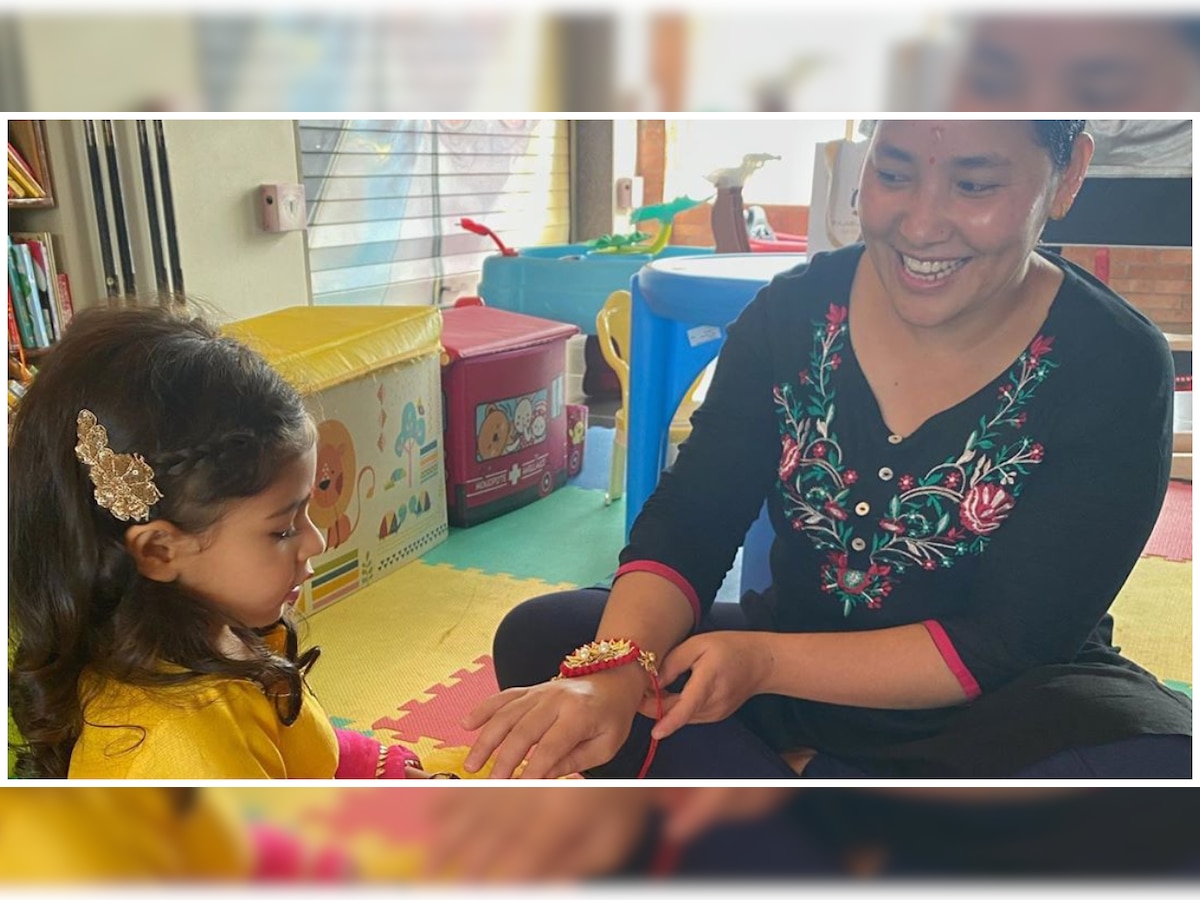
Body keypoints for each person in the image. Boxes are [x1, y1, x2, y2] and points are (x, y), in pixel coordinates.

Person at [464, 120, 1192, 779]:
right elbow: (692, 520)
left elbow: (1007, 641)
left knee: (1160, 774)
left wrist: (763, 662)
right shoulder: (792, 313)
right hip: (791, 679)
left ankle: (783, 812)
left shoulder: (1116, 363)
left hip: (1000, 710)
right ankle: (834, 815)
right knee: (548, 639)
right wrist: (615, 672)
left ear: (1066, 177)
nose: (922, 222)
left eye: (974, 184)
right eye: (896, 172)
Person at [8, 304, 427, 779]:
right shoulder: (182, 748)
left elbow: (302, 749)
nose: (315, 543)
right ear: (160, 551)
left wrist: (383, 769)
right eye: (283, 529)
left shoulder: (215, 629)